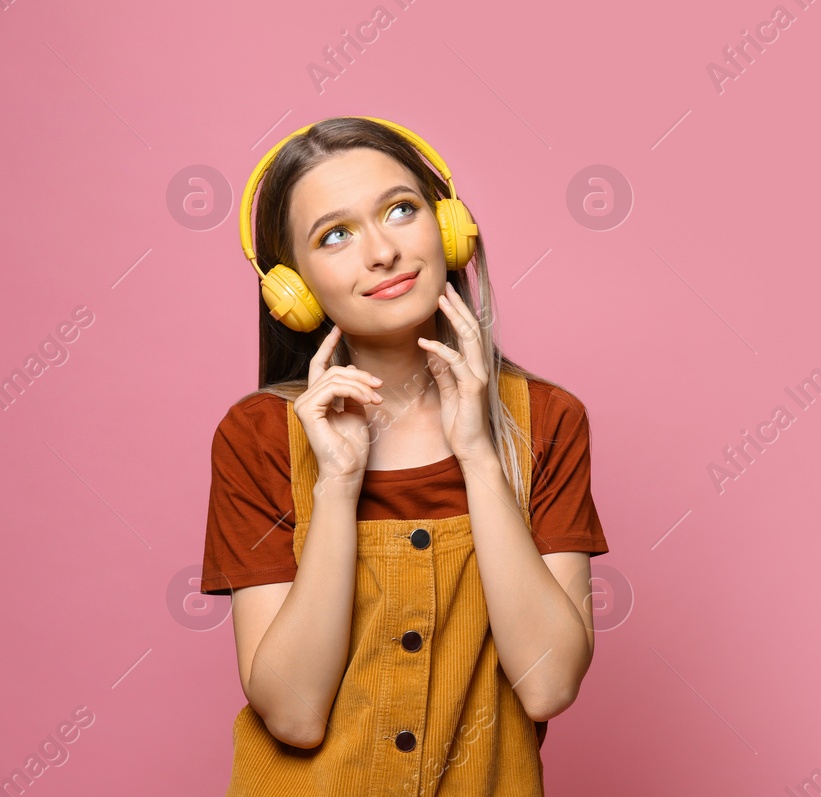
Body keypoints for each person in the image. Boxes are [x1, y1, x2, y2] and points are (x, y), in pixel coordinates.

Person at [199, 116, 608, 795]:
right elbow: (295, 712)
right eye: (335, 235)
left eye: (400, 209)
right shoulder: (259, 437)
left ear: (448, 229)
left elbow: (548, 682)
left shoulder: (548, 421)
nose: (381, 251)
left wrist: (478, 452)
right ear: (292, 291)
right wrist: (336, 485)